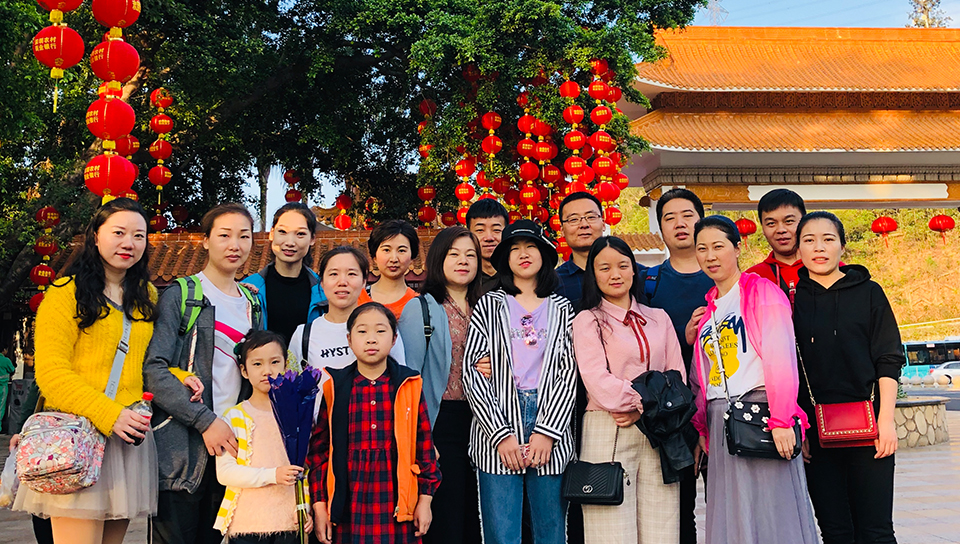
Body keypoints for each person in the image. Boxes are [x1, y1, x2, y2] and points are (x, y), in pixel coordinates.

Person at [13, 198, 158, 544]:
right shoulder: (66, 293)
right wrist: (110, 414)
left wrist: (184, 378)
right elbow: (51, 374)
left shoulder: (146, 296)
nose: (129, 243)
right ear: (95, 236)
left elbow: (145, 363)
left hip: (126, 443)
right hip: (77, 438)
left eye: (138, 235)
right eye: (118, 232)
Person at [689, 215, 817, 544]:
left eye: (718, 246)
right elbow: (701, 375)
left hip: (762, 414)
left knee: (773, 511)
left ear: (737, 248)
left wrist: (782, 419)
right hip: (721, 419)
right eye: (702, 248)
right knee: (733, 511)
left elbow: (780, 357)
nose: (710, 256)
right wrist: (702, 427)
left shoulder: (761, 292)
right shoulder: (708, 309)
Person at [144, 203, 263, 544]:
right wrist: (205, 421)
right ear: (206, 241)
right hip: (182, 450)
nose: (234, 245)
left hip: (232, 447)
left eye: (244, 236)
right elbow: (153, 369)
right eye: (224, 235)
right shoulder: (182, 295)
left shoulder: (252, 304)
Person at [462, 219, 576, 544]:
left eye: (531, 247)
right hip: (497, 423)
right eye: (514, 249)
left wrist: (548, 432)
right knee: (502, 534)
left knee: (551, 532)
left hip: (549, 421)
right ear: (504, 260)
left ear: (545, 255)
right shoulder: (489, 306)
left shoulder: (562, 308)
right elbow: (473, 372)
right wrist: (500, 435)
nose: (523, 254)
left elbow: (568, 372)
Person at [793, 212, 903, 544]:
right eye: (809, 240)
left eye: (828, 239)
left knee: (876, 530)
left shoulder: (869, 292)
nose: (819, 247)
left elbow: (888, 359)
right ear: (798, 249)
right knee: (835, 530)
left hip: (871, 428)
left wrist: (886, 421)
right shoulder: (791, 301)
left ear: (842, 246)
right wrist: (800, 428)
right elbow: (788, 369)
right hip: (816, 433)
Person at [574, 236, 686, 544]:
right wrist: (647, 401)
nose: (615, 274)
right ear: (593, 274)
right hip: (608, 426)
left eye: (623, 266)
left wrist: (645, 409)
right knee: (610, 529)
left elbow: (677, 379)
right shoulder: (588, 320)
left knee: (662, 525)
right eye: (605, 268)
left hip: (659, 431)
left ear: (634, 270)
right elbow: (597, 380)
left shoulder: (659, 318)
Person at [308, 302, 441, 544]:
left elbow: (424, 449)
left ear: (394, 339)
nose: (371, 339)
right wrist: (319, 507)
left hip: (397, 504)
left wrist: (425, 500)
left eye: (380, 331)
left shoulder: (409, 386)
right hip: (349, 505)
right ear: (349, 340)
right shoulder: (335, 388)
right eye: (362, 331)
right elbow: (319, 454)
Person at [643, 188, 714, 544]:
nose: (679, 223)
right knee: (678, 509)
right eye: (669, 218)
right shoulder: (648, 282)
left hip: (720, 407)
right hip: (672, 413)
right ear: (660, 228)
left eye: (687, 215)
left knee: (727, 503)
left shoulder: (724, 278)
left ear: (701, 220)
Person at [415, 226, 484, 544]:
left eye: (471, 255)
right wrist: (422, 437)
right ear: (439, 259)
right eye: (454, 254)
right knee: (449, 514)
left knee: (477, 515)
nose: (463, 261)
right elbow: (410, 378)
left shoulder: (488, 307)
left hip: (484, 421)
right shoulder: (422, 309)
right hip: (441, 420)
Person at [213, 329, 313, 543]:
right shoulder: (234, 417)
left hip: (290, 523)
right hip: (247, 525)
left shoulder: (298, 414)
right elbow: (225, 473)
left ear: (286, 365)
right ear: (244, 370)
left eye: (275, 362)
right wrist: (272, 475)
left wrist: (305, 507)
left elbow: (306, 469)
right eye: (257, 364)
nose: (267, 370)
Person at [290, 247, 405, 393]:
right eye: (333, 274)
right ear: (322, 282)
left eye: (351, 274)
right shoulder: (303, 335)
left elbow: (402, 382)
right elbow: (291, 387)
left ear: (364, 282)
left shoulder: (383, 328)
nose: (342, 282)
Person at [243, 203, 327, 344]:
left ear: (312, 239)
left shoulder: (324, 291)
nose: (290, 242)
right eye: (282, 232)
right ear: (271, 234)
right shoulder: (248, 290)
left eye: (300, 234)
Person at [745, 189, 807, 303]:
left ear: (804, 223)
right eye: (771, 223)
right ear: (763, 229)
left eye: (789, 221)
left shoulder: (829, 270)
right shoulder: (752, 278)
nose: (781, 230)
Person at [555, 192, 606, 309]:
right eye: (573, 219)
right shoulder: (554, 283)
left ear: (603, 224)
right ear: (562, 230)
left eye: (591, 217)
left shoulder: (632, 274)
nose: (584, 224)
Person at [360, 220, 419, 318]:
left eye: (401, 250)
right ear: (374, 256)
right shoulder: (356, 299)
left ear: (412, 258)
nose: (394, 259)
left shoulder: (420, 304)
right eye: (386, 250)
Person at [465, 199, 509, 294]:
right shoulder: (463, 279)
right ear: (469, 234)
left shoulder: (518, 276)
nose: (489, 238)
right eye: (480, 230)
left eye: (496, 230)